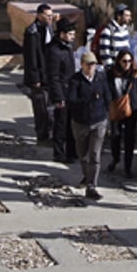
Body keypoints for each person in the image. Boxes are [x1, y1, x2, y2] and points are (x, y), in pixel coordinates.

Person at [68, 51, 113, 200]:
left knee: (95, 154)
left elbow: (107, 96)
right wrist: (87, 102)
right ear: (82, 65)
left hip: (99, 121)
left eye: (93, 64)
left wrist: (106, 114)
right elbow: (72, 100)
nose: (91, 67)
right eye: (89, 65)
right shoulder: (75, 80)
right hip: (81, 123)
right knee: (83, 154)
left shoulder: (100, 78)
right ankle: (87, 176)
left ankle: (91, 185)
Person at [45, 18, 79, 163]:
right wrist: (58, 98)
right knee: (61, 125)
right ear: (62, 34)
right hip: (62, 92)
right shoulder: (54, 51)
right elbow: (53, 77)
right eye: (71, 34)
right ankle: (59, 153)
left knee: (72, 124)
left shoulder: (66, 47)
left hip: (70, 90)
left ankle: (72, 152)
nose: (73, 37)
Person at [22, 3, 55, 144]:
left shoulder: (49, 29)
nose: (50, 18)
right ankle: (42, 136)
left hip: (49, 73)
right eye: (48, 16)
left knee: (50, 108)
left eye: (51, 16)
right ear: (39, 16)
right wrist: (35, 78)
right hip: (39, 76)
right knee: (41, 108)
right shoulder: (32, 32)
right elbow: (31, 57)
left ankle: (49, 133)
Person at [106, 50, 137, 177]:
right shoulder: (111, 74)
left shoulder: (135, 75)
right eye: (124, 61)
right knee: (115, 135)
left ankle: (128, 166)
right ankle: (115, 158)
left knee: (130, 138)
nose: (127, 64)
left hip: (131, 109)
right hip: (116, 107)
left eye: (129, 61)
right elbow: (107, 89)